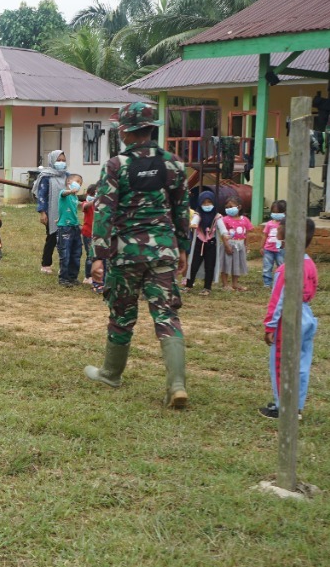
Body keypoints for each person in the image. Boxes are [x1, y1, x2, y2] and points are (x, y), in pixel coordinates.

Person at [84, 102, 192, 409]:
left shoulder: (116, 165)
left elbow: (104, 211)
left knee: (122, 313)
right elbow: (182, 209)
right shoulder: (173, 164)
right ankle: (177, 385)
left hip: (126, 252)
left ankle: (111, 374)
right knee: (167, 315)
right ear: (150, 129)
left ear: (126, 132)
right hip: (164, 250)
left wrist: (98, 256)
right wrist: (183, 247)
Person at [260, 218, 318, 421]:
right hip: (306, 315)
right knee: (301, 364)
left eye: (280, 235)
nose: (278, 239)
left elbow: (278, 300)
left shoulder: (286, 269)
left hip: (288, 319)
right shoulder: (309, 264)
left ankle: (283, 407)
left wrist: (270, 326)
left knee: (281, 364)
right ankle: (296, 406)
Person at [34, 150, 70, 274]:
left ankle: (64, 265)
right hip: (51, 212)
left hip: (66, 212)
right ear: (52, 161)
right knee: (52, 238)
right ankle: (46, 264)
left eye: (63, 160)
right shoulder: (46, 177)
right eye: (58, 160)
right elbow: (42, 196)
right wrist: (42, 212)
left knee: (66, 239)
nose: (61, 162)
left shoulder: (67, 176)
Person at [185, 190, 224, 296]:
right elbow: (194, 221)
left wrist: (225, 234)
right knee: (193, 265)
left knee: (210, 266)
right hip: (199, 243)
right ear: (200, 203)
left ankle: (207, 288)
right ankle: (188, 285)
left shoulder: (217, 216)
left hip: (211, 244)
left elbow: (222, 228)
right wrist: (193, 224)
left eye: (209, 202)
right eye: (204, 203)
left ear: (214, 202)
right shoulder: (198, 214)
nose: (207, 205)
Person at [219, 196, 254, 292]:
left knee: (237, 265)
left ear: (239, 207)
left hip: (240, 245)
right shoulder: (224, 219)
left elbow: (247, 233)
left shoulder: (245, 219)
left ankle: (235, 284)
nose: (228, 209)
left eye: (231, 206)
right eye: (227, 207)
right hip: (228, 245)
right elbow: (223, 234)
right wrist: (226, 245)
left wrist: (246, 245)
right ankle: (225, 284)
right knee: (225, 264)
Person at [56, 174, 85, 287]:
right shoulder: (64, 194)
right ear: (69, 182)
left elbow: (73, 211)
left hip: (75, 227)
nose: (79, 184)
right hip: (65, 228)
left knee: (76, 252)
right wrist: (70, 191)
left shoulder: (75, 198)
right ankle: (63, 278)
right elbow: (63, 193)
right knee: (65, 253)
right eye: (77, 181)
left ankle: (73, 277)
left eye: (80, 183)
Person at [261, 200, 287, 288]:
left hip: (281, 250)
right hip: (268, 250)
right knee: (267, 267)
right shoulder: (269, 224)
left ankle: (281, 282)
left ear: (285, 212)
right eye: (274, 212)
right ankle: (267, 283)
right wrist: (261, 247)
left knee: (281, 266)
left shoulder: (286, 225)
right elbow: (265, 236)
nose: (276, 214)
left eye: (278, 212)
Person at [81, 184, 98, 285]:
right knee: (90, 255)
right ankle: (88, 277)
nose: (95, 195)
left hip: (97, 233)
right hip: (88, 233)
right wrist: (95, 200)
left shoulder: (100, 205)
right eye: (93, 193)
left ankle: (96, 274)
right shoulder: (86, 203)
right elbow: (85, 206)